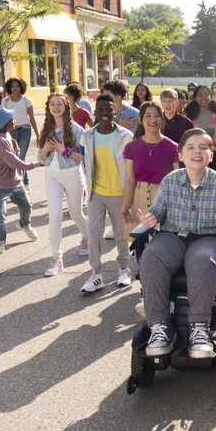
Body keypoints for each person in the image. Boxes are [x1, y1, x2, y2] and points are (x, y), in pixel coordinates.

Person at [137, 128, 216, 358]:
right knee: (151, 257)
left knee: (203, 261)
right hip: (172, 237)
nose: (197, 152)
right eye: (190, 147)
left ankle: (199, 329)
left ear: (211, 155)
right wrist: (148, 219)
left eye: (203, 148)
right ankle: (160, 328)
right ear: (180, 155)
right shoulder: (170, 180)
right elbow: (157, 214)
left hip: (209, 238)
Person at [80, 94, 133, 292]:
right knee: (93, 234)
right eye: (100, 109)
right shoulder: (87, 136)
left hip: (120, 192)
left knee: (121, 234)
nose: (104, 113)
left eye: (108, 109)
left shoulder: (125, 135)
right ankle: (97, 274)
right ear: (95, 112)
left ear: (115, 112)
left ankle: (124, 268)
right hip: (97, 193)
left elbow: (130, 166)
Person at [37, 92, 88, 277]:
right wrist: (45, 149)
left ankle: (86, 236)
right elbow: (41, 159)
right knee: (55, 214)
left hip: (72, 173)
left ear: (66, 106)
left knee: (76, 213)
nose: (56, 107)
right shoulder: (46, 130)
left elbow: (84, 157)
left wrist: (64, 150)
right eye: (53, 104)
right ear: (48, 107)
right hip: (52, 174)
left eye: (59, 104)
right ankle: (57, 257)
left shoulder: (76, 130)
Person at [0, 106, 41, 258]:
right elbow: (16, 163)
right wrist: (38, 164)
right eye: (11, 119)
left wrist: (15, 148)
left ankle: (24, 224)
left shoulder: (6, 136)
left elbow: (12, 158)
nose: (14, 120)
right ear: (3, 123)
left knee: (27, 206)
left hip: (14, 181)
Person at [121, 101, 179, 229]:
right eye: (148, 115)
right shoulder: (131, 147)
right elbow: (130, 180)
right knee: (141, 245)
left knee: (161, 245)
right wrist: (125, 208)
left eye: (157, 115)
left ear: (162, 119)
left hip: (165, 201)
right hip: (139, 201)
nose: (153, 119)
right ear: (140, 120)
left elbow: (179, 180)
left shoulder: (173, 147)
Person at [1, 77, 39, 193]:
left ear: (21, 87)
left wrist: (38, 135)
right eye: (12, 86)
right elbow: (2, 119)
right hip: (11, 131)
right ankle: (18, 182)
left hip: (25, 130)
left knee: (21, 157)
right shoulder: (5, 102)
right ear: (9, 88)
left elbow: (32, 118)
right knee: (14, 158)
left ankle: (25, 184)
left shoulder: (27, 101)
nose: (15, 88)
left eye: (17, 86)